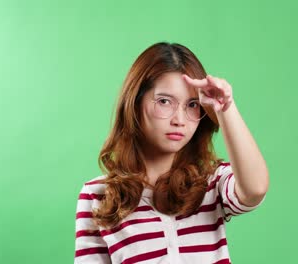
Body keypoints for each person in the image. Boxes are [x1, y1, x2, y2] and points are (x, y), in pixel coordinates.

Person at [74, 42, 269, 264]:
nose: (179, 120)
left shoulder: (211, 182)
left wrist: (225, 108)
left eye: (192, 105)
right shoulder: (98, 195)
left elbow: (255, 189)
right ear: (135, 103)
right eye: (164, 101)